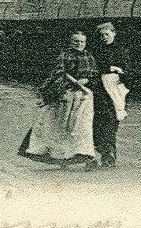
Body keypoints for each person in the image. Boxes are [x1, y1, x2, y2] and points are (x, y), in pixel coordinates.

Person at [19, 31, 98, 170]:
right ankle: (60, 157)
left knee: (80, 127)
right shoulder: (64, 55)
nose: (79, 44)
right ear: (71, 42)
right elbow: (59, 73)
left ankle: (85, 156)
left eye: (82, 41)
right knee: (60, 127)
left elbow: (94, 73)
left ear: (85, 43)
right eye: (76, 41)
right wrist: (70, 84)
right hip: (66, 95)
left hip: (84, 97)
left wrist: (87, 80)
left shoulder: (89, 56)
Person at [92, 21, 130, 167]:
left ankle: (109, 154)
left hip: (116, 91)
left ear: (114, 33)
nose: (104, 37)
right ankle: (104, 153)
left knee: (111, 123)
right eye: (102, 35)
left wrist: (120, 73)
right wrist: (109, 68)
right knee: (98, 123)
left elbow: (126, 69)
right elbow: (94, 67)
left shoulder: (121, 50)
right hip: (100, 90)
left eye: (107, 34)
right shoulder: (96, 50)